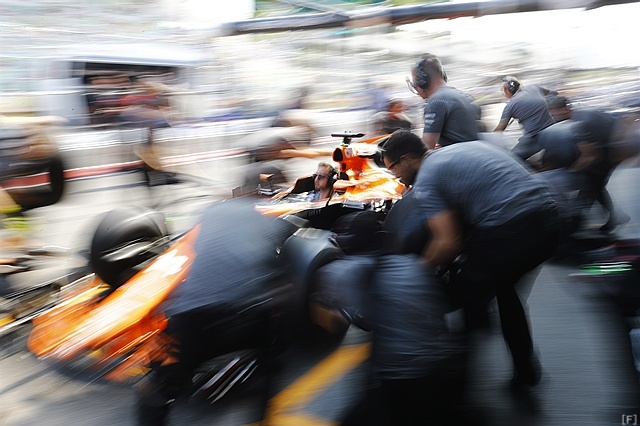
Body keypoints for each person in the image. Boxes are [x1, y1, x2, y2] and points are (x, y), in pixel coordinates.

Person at [381, 130, 561, 390]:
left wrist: (414, 274)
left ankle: (457, 385)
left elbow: (446, 243)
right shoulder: (461, 149)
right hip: (548, 220)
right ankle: (525, 372)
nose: (394, 175)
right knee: (503, 289)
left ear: (407, 158)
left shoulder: (428, 179)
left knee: (463, 294)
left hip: (513, 228)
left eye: (393, 168)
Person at [134, 199, 295, 425]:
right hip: (245, 315)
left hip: (192, 317)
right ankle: (263, 404)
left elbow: (189, 255)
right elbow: (276, 270)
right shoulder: (265, 221)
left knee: (159, 386)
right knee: (269, 355)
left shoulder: (210, 213)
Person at [547, 95, 631, 232]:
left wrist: (571, 171)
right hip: (613, 150)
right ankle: (610, 218)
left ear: (564, 109)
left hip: (609, 154)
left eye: (554, 113)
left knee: (589, 185)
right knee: (595, 187)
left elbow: (589, 157)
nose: (553, 117)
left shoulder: (580, 124)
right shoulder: (584, 113)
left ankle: (576, 222)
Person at [407, 53, 479, 149]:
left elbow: (426, 147)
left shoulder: (436, 101)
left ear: (422, 81)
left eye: (415, 82)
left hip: (460, 156)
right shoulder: (465, 96)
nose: (416, 89)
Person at [494, 76, 556, 159]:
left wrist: (487, 139)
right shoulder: (534, 87)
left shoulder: (510, 106)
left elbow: (499, 130)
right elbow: (552, 93)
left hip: (534, 137)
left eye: (502, 90)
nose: (503, 93)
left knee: (512, 158)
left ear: (507, 90)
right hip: (552, 128)